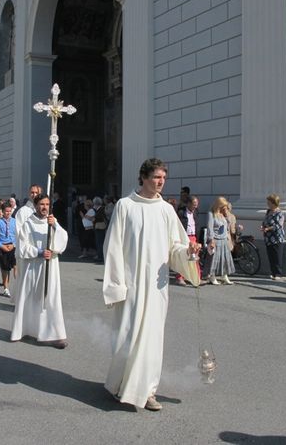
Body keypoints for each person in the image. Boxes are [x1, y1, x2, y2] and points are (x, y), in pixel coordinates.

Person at [103, 158, 199, 411]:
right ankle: (119, 385)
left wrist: (189, 251)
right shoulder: (125, 206)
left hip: (156, 288)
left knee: (153, 339)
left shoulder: (166, 210)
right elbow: (112, 247)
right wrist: (116, 285)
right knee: (128, 336)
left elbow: (175, 247)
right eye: (156, 177)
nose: (160, 182)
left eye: (163, 178)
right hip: (131, 285)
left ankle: (147, 392)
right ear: (143, 177)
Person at [11, 194, 68, 348]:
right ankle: (25, 329)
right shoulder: (28, 224)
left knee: (50, 298)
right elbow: (22, 247)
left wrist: (55, 225)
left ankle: (55, 334)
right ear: (35, 206)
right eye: (41, 204)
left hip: (50, 266)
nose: (44, 207)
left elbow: (63, 239)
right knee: (31, 297)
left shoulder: (52, 222)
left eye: (47, 204)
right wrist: (39, 252)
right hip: (33, 266)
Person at [203, 197, 235, 285]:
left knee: (225, 259)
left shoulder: (222, 214)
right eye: (223, 206)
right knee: (214, 259)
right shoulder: (211, 214)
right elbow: (210, 228)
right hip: (216, 239)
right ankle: (212, 276)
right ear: (218, 205)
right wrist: (211, 240)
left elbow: (227, 225)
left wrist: (226, 214)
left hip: (224, 239)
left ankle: (224, 276)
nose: (224, 208)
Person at [177, 195, 202, 285]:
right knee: (184, 257)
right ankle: (180, 278)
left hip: (194, 237)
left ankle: (197, 278)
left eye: (197, 204)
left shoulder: (196, 212)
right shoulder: (181, 212)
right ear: (188, 203)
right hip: (184, 237)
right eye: (194, 204)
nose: (196, 206)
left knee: (195, 259)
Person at [260, 194, 286, 280]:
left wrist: (268, 228)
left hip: (277, 238)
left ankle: (278, 274)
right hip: (268, 238)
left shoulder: (280, 213)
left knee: (277, 256)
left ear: (274, 203)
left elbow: (278, 225)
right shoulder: (268, 211)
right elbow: (265, 221)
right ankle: (273, 272)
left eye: (269, 202)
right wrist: (263, 227)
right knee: (271, 256)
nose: (267, 203)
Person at [0, 202, 17, 297]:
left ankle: (17, 285)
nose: (8, 213)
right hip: (3, 246)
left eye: (9, 211)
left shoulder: (15, 221)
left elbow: (18, 235)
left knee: (14, 267)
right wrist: (1, 246)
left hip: (13, 246)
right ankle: (6, 287)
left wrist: (14, 244)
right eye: (6, 211)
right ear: (2, 212)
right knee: (4, 268)